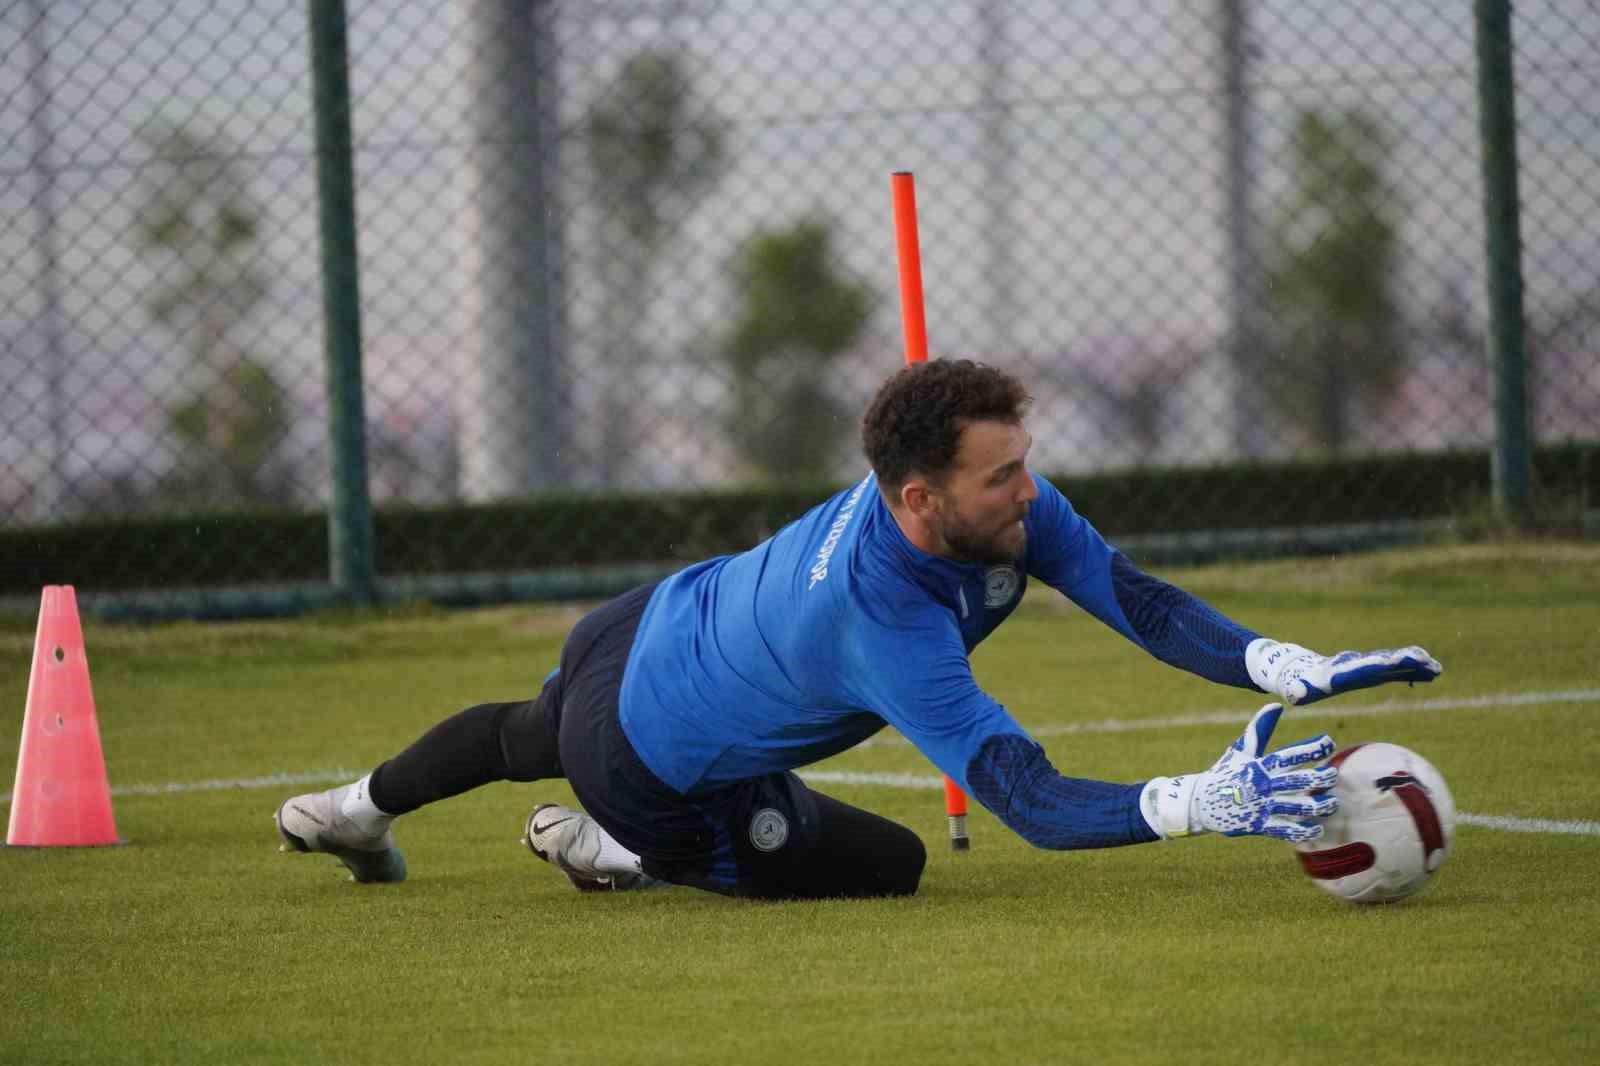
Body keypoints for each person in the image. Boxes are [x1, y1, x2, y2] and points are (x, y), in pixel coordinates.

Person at [276, 358, 1441, 898]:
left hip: (641, 626)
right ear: (918, 498)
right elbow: (1024, 798)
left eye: (1025, 464)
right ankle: (612, 846)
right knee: (891, 865)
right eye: (1000, 478)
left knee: (523, 727)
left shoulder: (994, 506)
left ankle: (356, 811)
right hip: (640, 766)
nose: (1029, 493)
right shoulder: (886, 616)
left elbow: (1131, 598)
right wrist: (1199, 801)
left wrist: (1271, 659)